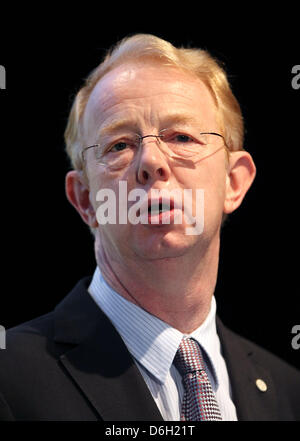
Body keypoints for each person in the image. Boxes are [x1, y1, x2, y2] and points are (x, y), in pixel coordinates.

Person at [0, 34, 299, 422]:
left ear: (234, 182)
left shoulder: (290, 393)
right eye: (119, 145)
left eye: (181, 137)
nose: (152, 161)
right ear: (85, 199)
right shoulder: (9, 381)